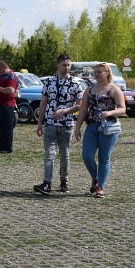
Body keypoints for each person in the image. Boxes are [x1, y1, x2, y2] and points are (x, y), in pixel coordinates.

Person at [74, 63, 126, 198]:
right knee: (87, 156)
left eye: (99, 72)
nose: (96, 74)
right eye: (95, 72)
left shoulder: (114, 89)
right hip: (92, 127)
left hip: (108, 128)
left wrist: (110, 113)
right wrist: (78, 127)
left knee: (104, 158)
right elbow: (83, 110)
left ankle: (100, 187)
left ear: (107, 73)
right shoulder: (89, 90)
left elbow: (122, 108)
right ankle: (95, 178)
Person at [34, 54, 83, 195]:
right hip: (50, 123)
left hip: (67, 124)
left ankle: (64, 181)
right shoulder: (49, 82)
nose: (66, 68)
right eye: (64, 65)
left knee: (64, 153)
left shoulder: (75, 83)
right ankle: (47, 183)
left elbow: (80, 105)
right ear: (58, 65)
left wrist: (65, 111)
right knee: (49, 153)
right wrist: (39, 123)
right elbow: (43, 103)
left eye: (68, 65)